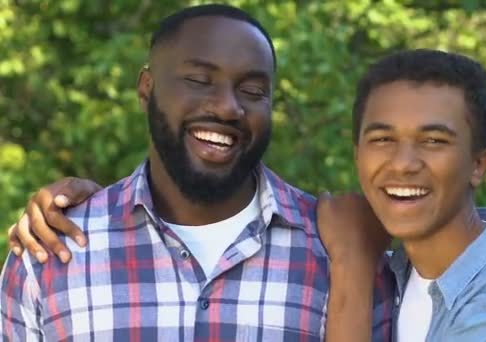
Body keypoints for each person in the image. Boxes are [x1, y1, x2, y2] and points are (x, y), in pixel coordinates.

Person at [0, 4, 394, 341]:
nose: (227, 108)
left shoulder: (345, 254)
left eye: (253, 91)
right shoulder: (49, 254)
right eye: (199, 80)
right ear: (146, 89)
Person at [318, 49, 486, 341]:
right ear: (358, 156)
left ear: (478, 165)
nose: (402, 163)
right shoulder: (398, 273)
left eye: (433, 141)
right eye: (383, 139)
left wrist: (351, 262)